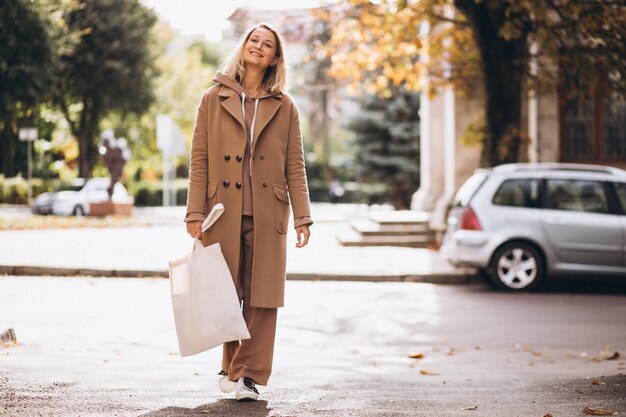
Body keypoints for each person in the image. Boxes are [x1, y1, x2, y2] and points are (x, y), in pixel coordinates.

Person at [184, 23, 313, 402]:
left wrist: (303, 216)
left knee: (263, 296)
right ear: (243, 48)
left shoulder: (285, 106)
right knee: (227, 294)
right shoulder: (213, 98)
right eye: (253, 40)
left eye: (267, 44)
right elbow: (200, 160)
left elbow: (295, 165)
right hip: (222, 210)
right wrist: (194, 211)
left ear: (275, 57)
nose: (258, 47)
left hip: (267, 211)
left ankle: (246, 375)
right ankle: (233, 370)